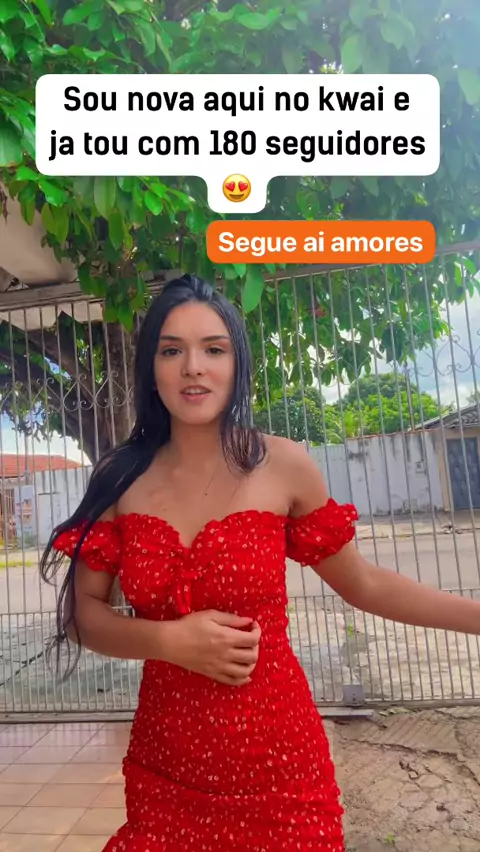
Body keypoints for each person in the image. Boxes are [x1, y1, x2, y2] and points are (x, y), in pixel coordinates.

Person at [41, 273, 480, 851]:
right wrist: (168, 641)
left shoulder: (284, 465)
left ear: (236, 363)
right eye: (172, 351)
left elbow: (366, 584)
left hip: (281, 771)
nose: (193, 367)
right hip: (167, 771)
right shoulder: (120, 477)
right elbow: (83, 617)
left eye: (213, 349)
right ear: (151, 368)